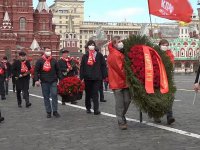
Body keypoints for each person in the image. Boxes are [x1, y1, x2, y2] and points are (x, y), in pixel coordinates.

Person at [107, 36, 131, 130]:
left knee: (127, 100)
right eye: (118, 42)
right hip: (117, 82)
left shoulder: (119, 52)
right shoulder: (115, 54)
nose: (121, 43)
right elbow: (120, 70)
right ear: (114, 44)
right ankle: (121, 120)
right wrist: (130, 78)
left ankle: (121, 116)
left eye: (121, 41)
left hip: (123, 82)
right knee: (120, 103)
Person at [80, 40, 107, 115]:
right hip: (87, 78)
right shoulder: (85, 56)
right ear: (88, 47)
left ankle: (96, 109)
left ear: (95, 46)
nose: (92, 46)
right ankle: (88, 108)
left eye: (93, 45)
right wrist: (81, 77)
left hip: (97, 77)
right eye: (90, 45)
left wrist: (104, 75)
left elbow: (103, 65)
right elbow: (82, 67)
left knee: (95, 94)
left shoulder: (99, 55)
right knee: (88, 94)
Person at [34, 47, 61, 118]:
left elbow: (58, 70)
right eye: (47, 51)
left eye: (49, 50)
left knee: (54, 95)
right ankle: (48, 112)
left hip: (53, 81)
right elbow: (36, 71)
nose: (48, 52)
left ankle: (55, 111)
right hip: (44, 81)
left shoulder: (54, 60)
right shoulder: (40, 61)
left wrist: (60, 79)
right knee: (46, 97)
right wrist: (36, 80)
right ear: (44, 52)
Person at [155, 39, 175, 125]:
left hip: (168, 79)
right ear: (160, 45)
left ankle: (169, 116)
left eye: (167, 45)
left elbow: (172, 66)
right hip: (157, 79)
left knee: (169, 98)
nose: (165, 46)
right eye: (163, 45)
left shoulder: (170, 55)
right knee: (158, 98)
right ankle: (156, 115)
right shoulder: (155, 54)